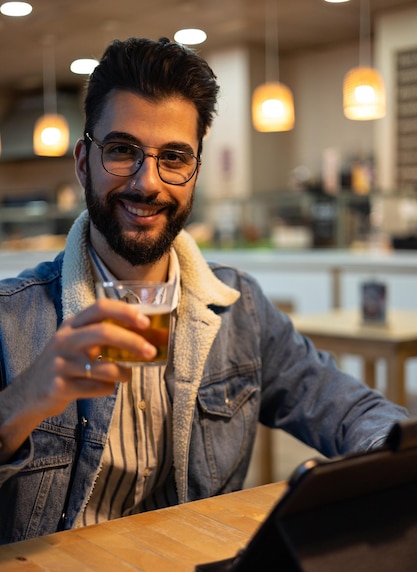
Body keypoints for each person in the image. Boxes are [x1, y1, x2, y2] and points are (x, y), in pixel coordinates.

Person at [0, 37, 408, 545]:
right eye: (123, 151)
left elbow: (345, 408)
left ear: (194, 171)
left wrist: (391, 451)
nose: (148, 182)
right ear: (84, 161)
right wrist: (22, 401)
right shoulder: (10, 319)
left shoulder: (241, 311)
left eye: (174, 157)